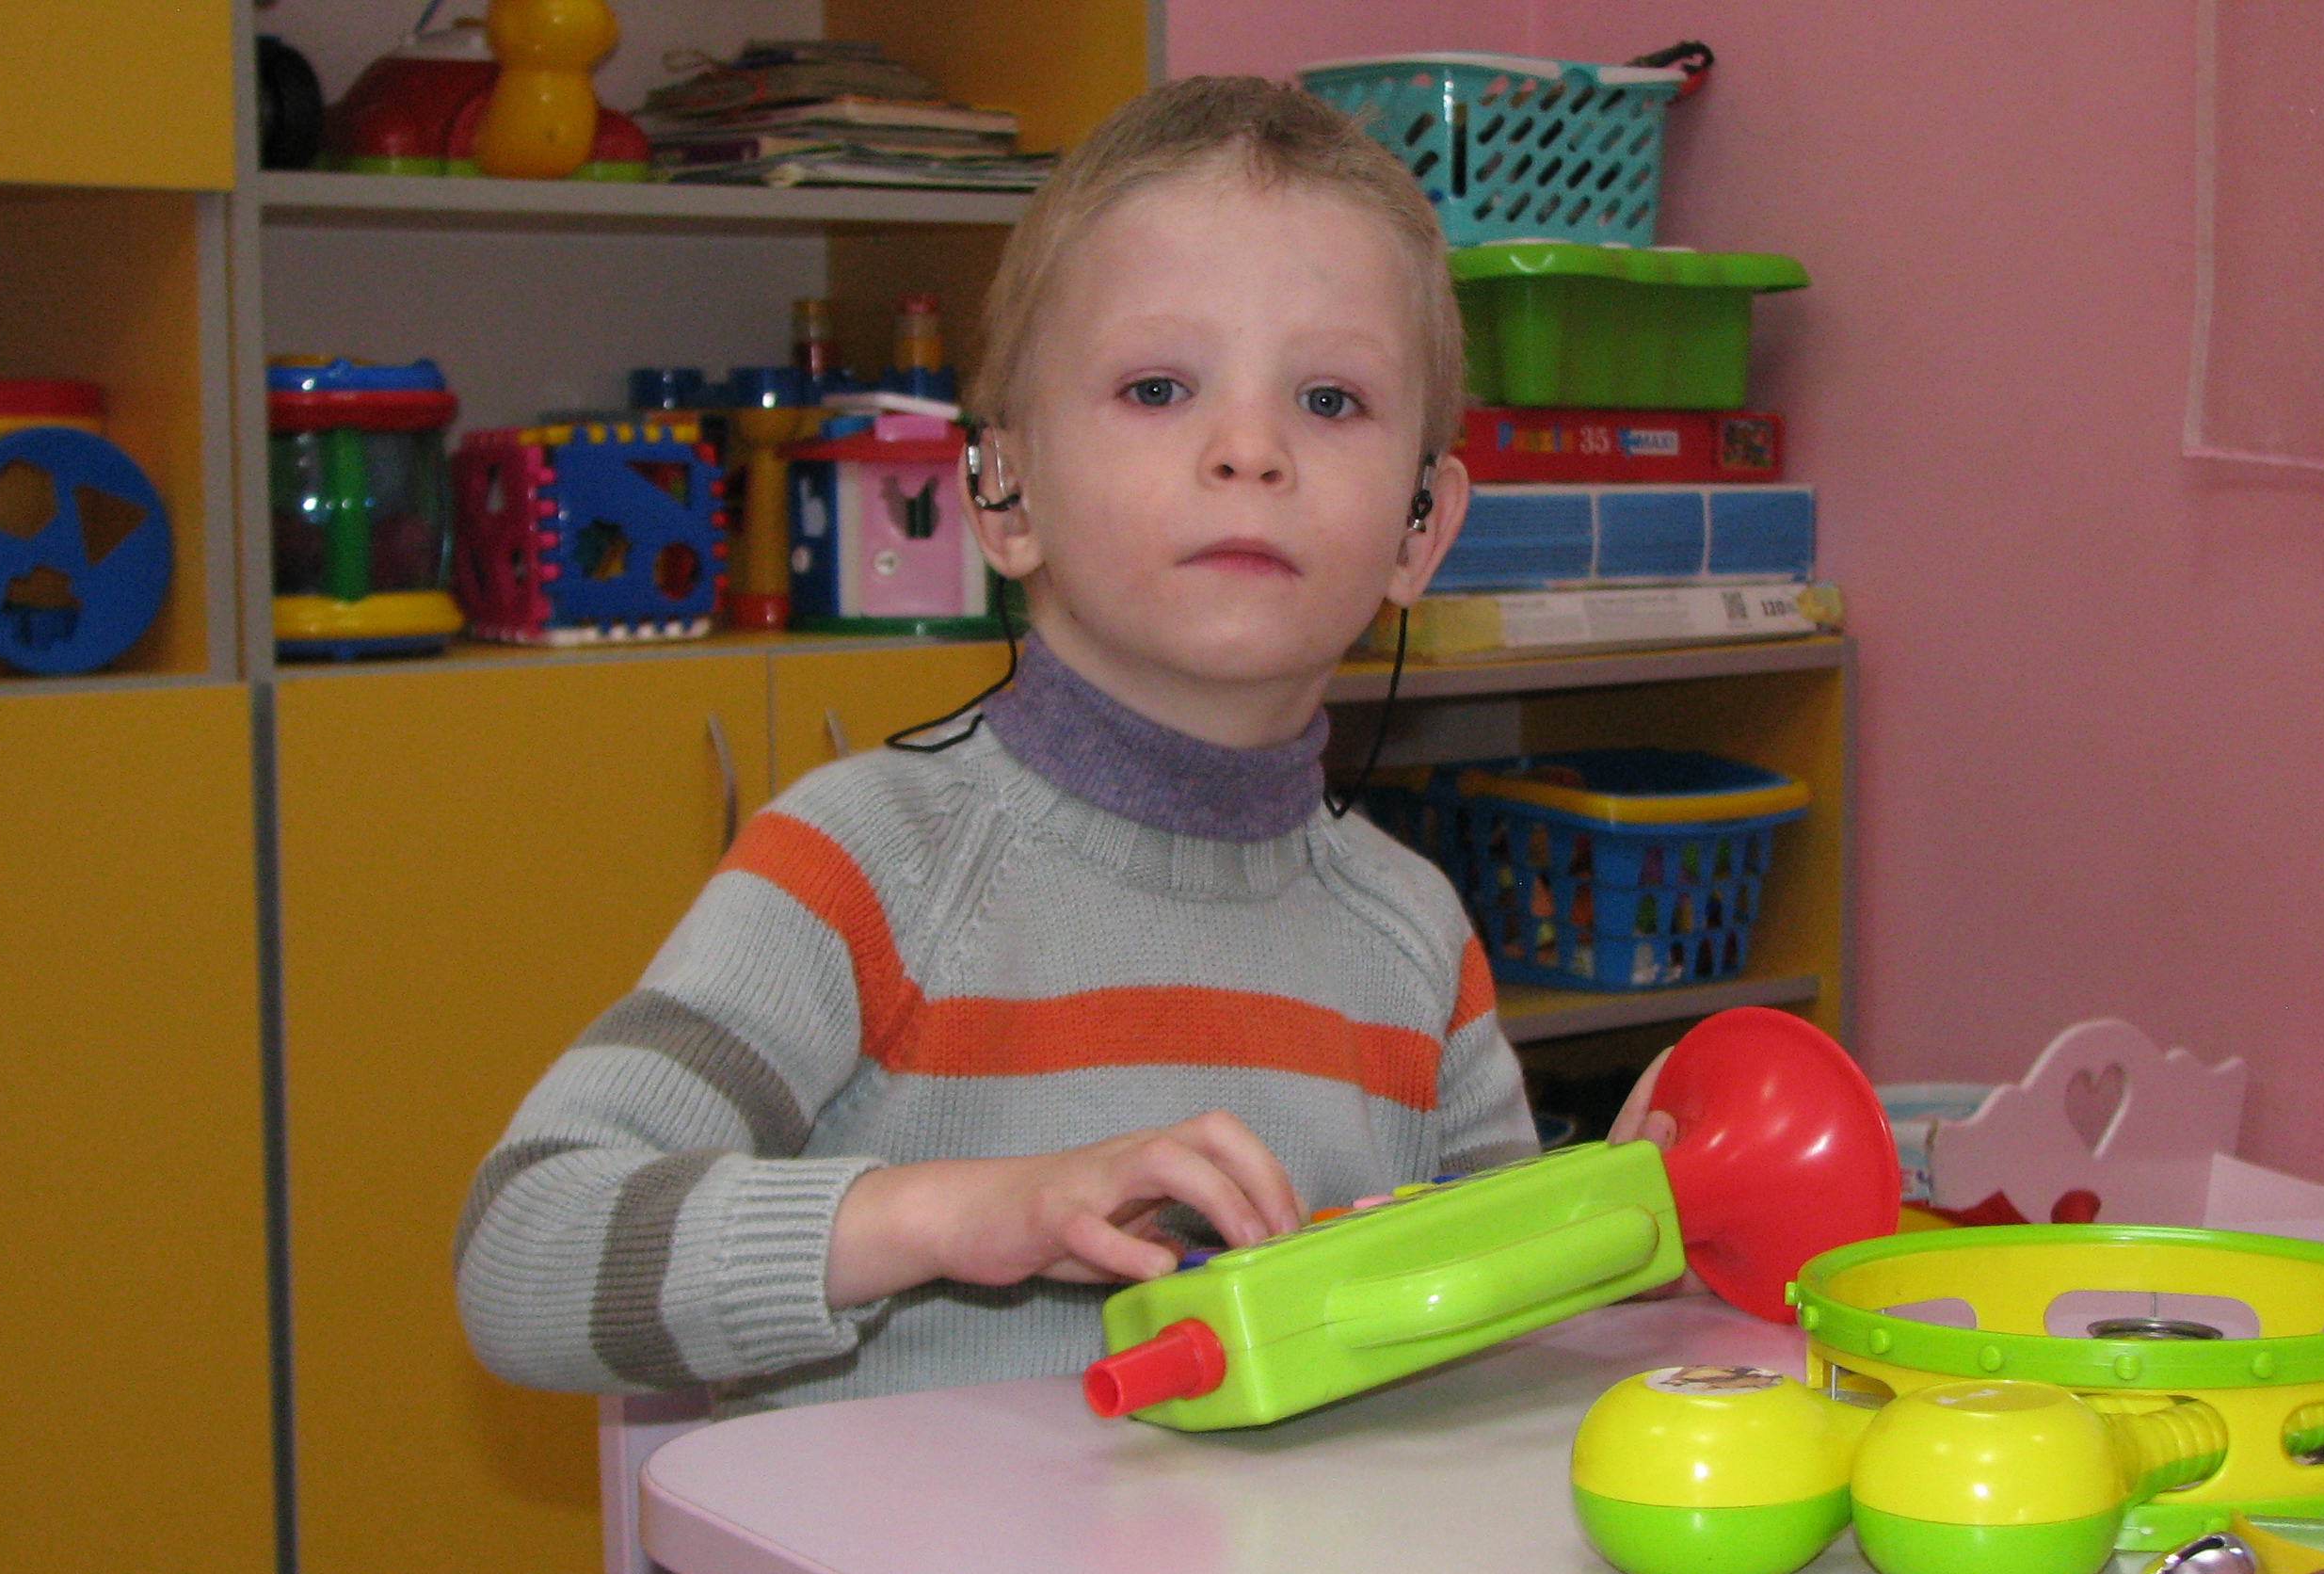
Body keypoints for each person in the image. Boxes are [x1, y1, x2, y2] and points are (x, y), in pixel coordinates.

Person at [457, 73, 1549, 1424]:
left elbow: (1511, 1354)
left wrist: (1639, 1197)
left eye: (1330, 399)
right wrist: (951, 1214)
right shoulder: (862, 867)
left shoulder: (1414, 939)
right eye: (1158, 386)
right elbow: (524, 1249)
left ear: (1421, 530)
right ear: (1002, 488)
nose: (1250, 449)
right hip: (888, 1573)